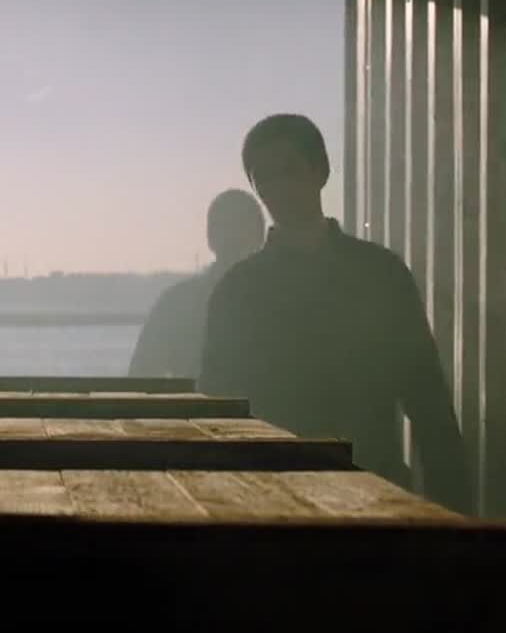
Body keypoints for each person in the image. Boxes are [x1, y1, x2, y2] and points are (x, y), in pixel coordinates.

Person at [198, 114, 471, 512]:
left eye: (289, 170)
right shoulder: (236, 291)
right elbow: (217, 414)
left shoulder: (382, 274)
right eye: (265, 177)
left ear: (321, 171)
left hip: (376, 499)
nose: (279, 187)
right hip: (273, 503)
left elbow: (427, 400)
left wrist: (455, 515)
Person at [129, 189, 265, 379]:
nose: (234, 236)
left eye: (238, 228)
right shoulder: (283, 300)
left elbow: (140, 377)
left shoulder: (175, 304)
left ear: (210, 237)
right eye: (230, 228)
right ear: (261, 238)